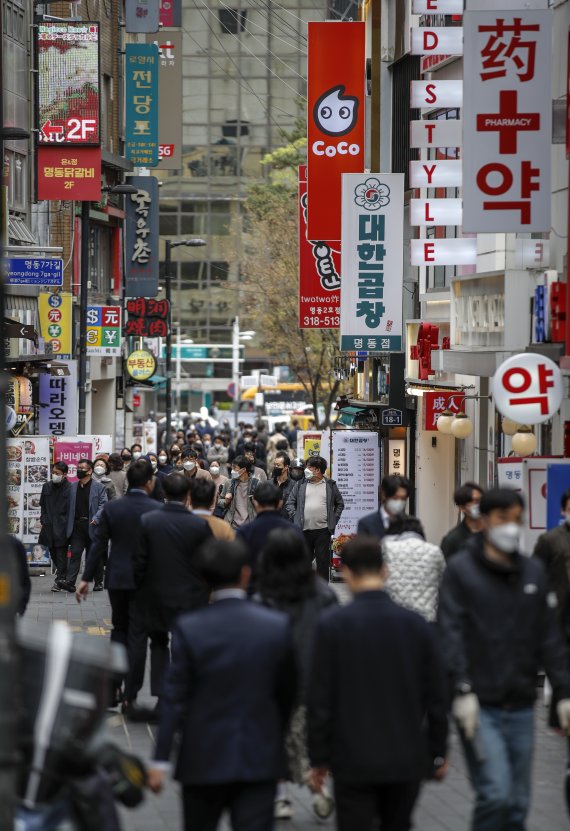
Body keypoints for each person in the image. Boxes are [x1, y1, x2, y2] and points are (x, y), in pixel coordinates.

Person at [438, 488, 570, 831]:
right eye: (502, 519)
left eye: (517, 520)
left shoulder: (532, 573)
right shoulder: (461, 571)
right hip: (479, 704)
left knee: (518, 803)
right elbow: (449, 632)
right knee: (495, 793)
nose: (511, 527)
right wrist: (461, 687)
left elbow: (549, 637)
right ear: (484, 520)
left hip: (521, 704)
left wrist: (564, 690)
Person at [147, 539, 297, 831]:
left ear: (204, 578)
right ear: (246, 573)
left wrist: (160, 759)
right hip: (259, 756)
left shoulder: (190, 627)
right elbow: (288, 691)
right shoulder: (276, 626)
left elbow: (174, 696)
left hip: (202, 757)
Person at [307, 536, 448, 831]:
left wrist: (318, 757)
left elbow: (320, 697)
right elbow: (436, 694)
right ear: (385, 570)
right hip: (405, 754)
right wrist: (438, 750)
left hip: (351, 756)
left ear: (345, 571)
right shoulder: (415, 626)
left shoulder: (332, 625)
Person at [256, 528, 337, 821]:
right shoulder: (323, 594)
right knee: (310, 738)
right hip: (313, 678)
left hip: (274, 681)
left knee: (277, 737)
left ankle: (280, 797)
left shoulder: (263, 595)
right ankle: (319, 787)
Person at [76, 459, 157, 716]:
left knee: (118, 630)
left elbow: (98, 545)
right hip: (145, 581)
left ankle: (112, 688)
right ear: (149, 483)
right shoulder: (156, 510)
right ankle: (130, 696)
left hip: (117, 578)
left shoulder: (114, 508)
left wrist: (86, 578)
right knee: (138, 635)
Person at [134, 474, 213, 703]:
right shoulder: (199, 525)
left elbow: (139, 560)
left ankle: (160, 693)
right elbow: (208, 563)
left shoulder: (148, 520)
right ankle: (180, 692)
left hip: (155, 593)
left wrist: (141, 589)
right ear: (188, 495)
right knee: (182, 643)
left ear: (164, 493)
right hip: (190, 595)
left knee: (158, 643)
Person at [286, 456, 344, 581]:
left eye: (309, 467)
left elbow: (340, 503)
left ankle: (323, 590)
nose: (305, 469)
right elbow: (290, 502)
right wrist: (295, 516)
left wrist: (334, 519)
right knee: (304, 562)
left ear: (317, 470)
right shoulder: (300, 484)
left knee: (323, 562)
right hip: (303, 530)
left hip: (323, 531)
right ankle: (305, 589)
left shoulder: (330, 485)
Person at [237, 483, 301, 593]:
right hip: (287, 592)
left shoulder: (245, 532)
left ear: (255, 502)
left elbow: (240, 567)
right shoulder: (294, 530)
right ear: (280, 503)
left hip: (255, 592)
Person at [382, 515, 445, 623]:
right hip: (426, 618)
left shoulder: (386, 549)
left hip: (393, 617)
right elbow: (444, 583)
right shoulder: (434, 550)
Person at [58, 460, 107, 593]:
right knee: (75, 554)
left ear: (90, 471)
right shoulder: (72, 487)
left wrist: (96, 518)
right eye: (78, 468)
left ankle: (98, 582)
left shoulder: (99, 487)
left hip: (93, 525)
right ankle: (70, 582)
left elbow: (104, 505)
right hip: (77, 526)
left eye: (82, 468)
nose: (79, 470)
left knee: (94, 555)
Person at [39, 460, 71, 592]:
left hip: (62, 527)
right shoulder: (46, 486)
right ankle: (64, 576)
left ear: (65, 474)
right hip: (48, 525)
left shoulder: (70, 488)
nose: (54, 475)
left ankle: (60, 580)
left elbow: (71, 510)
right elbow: (42, 505)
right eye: (53, 472)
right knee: (52, 553)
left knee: (61, 554)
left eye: (57, 473)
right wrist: (43, 519)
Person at [357, 474, 410, 540]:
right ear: (384, 495)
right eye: (395, 498)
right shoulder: (366, 524)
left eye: (403, 498)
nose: (399, 502)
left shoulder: (412, 524)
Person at [440, 482, 484, 561]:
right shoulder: (452, 540)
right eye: (476, 501)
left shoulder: (493, 533)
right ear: (462, 508)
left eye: (482, 500)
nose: (480, 504)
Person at [219, 456, 260, 530]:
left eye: (235, 468)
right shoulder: (229, 483)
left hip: (250, 525)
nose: (232, 471)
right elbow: (219, 501)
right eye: (231, 468)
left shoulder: (256, 484)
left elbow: (263, 505)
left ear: (244, 469)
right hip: (232, 525)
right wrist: (226, 501)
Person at [272, 451, 295, 516]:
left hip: (287, 522)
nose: (275, 467)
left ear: (286, 467)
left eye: (278, 465)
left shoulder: (294, 485)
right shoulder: (269, 483)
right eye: (275, 464)